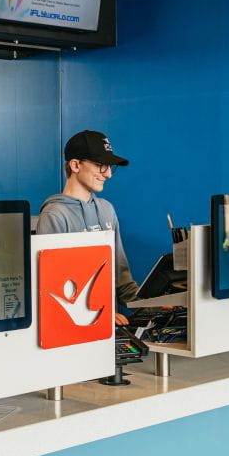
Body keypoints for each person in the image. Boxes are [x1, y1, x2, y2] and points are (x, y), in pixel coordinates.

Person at [36, 130, 139, 325]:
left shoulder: (107, 210)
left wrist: (151, 304)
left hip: (108, 328)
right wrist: (98, 316)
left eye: (109, 167)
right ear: (75, 165)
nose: (108, 174)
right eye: (100, 165)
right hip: (72, 328)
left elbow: (121, 278)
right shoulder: (55, 215)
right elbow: (52, 290)